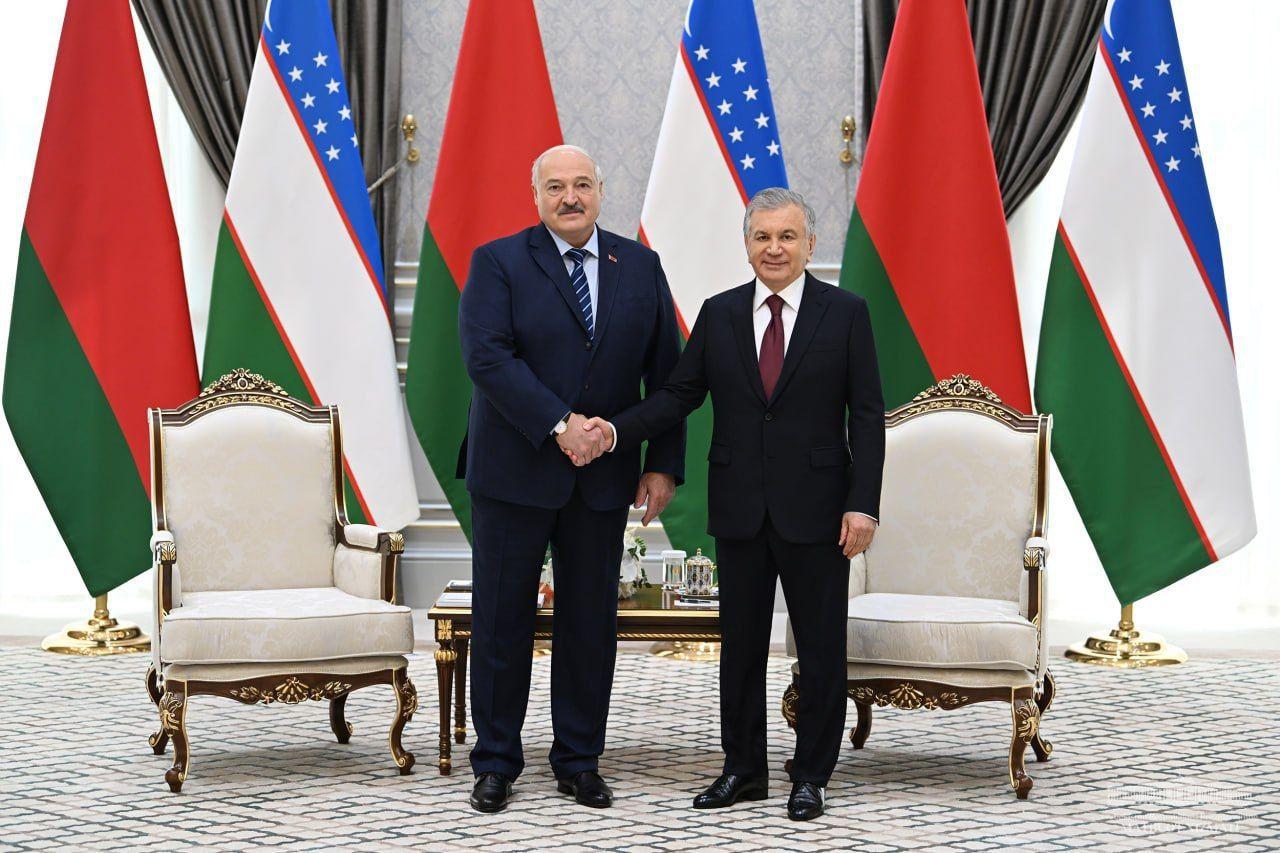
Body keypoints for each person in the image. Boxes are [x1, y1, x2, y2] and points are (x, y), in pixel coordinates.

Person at [576, 187, 885, 821]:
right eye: (762, 237)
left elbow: (869, 417)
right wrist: (612, 431)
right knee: (740, 647)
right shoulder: (718, 315)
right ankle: (743, 768)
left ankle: (811, 775)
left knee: (821, 648)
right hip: (741, 508)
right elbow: (677, 396)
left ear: (809, 245)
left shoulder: (846, 313)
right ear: (746, 244)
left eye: (787, 237)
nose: (774, 248)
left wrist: (864, 504)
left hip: (821, 512)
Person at [457, 144, 685, 813]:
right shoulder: (497, 262)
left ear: (601, 190)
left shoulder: (640, 265)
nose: (569, 197)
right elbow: (487, 358)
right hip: (513, 472)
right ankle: (496, 761)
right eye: (555, 186)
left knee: (589, 625)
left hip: (603, 476)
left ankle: (579, 760)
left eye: (581, 184)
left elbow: (667, 374)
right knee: (502, 621)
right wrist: (561, 424)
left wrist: (662, 462)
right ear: (535, 195)